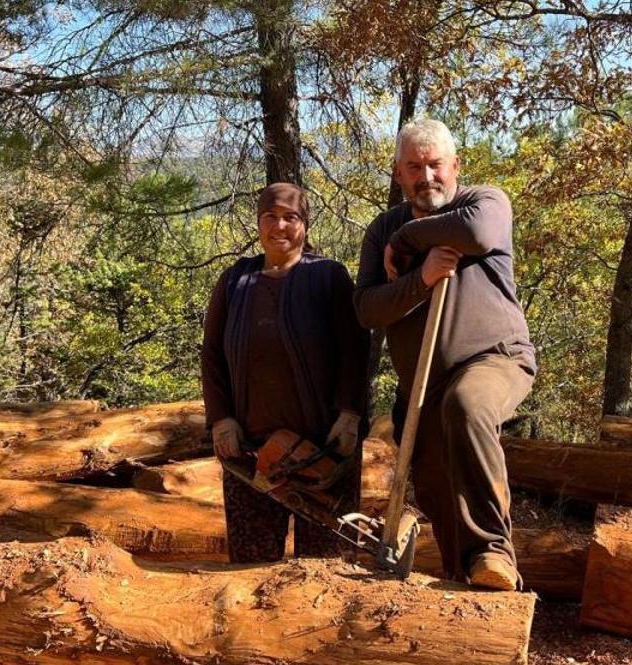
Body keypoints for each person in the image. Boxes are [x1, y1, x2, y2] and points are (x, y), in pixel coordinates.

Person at [354, 119, 536, 590]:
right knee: (435, 486)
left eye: (435, 164)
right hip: (423, 385)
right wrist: (420, 278)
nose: (426, 176)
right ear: (398, 174)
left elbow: (474, 233)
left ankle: (494, 552)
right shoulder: (382, 229)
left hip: (495, 358)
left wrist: (410, 240)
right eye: (414, 167)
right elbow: (367, 308)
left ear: (455, 165)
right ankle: (467, 583)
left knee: (469, 404)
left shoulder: (485, 201)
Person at [201, 182, 369, 563]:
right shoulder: (234, 281)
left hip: (325, 451)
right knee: (250, 568)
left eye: (291, 217)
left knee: (328, 568)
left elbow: (355, 351)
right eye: (270, 217)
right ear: (258, 224)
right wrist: (221, 419)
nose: (280, 226)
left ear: (305, 225)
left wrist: (349, 414)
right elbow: (212, 355)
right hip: (250, 452)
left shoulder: (328, 276)